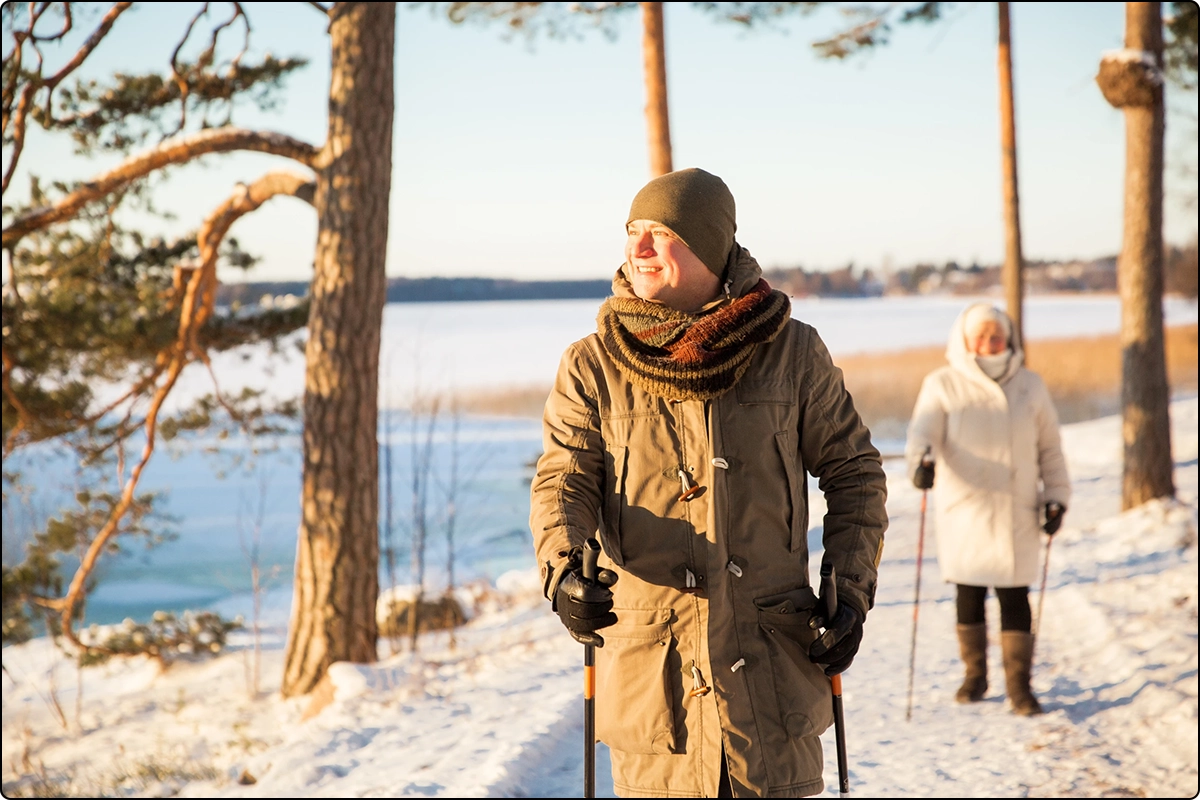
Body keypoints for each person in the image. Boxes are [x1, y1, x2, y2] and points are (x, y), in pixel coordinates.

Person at [528, 167, 888, 798]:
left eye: (661, 233)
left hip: (772, 688)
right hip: (656, 692)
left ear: (710, 247)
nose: (638, 248)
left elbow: (854, 472)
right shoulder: (592, 365)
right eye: (633, 231)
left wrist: (849, 588)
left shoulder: (792, 352)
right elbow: (563, 482)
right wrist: (564, 569)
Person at [905, 302, 1070, 716]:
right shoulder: (943, 383)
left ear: (1008, 338)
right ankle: (975, 676)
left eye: (996, 335)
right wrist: (921, 464)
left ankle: (1020, 687)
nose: (988, 342)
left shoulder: (1030, 385)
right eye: (980, 335)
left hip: (1017, 508)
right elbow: (921, 434)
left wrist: (1057, 496)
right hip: (966, 509)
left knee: (1016, 596)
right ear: (964, 339)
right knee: (969, 591)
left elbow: (1050, 447)